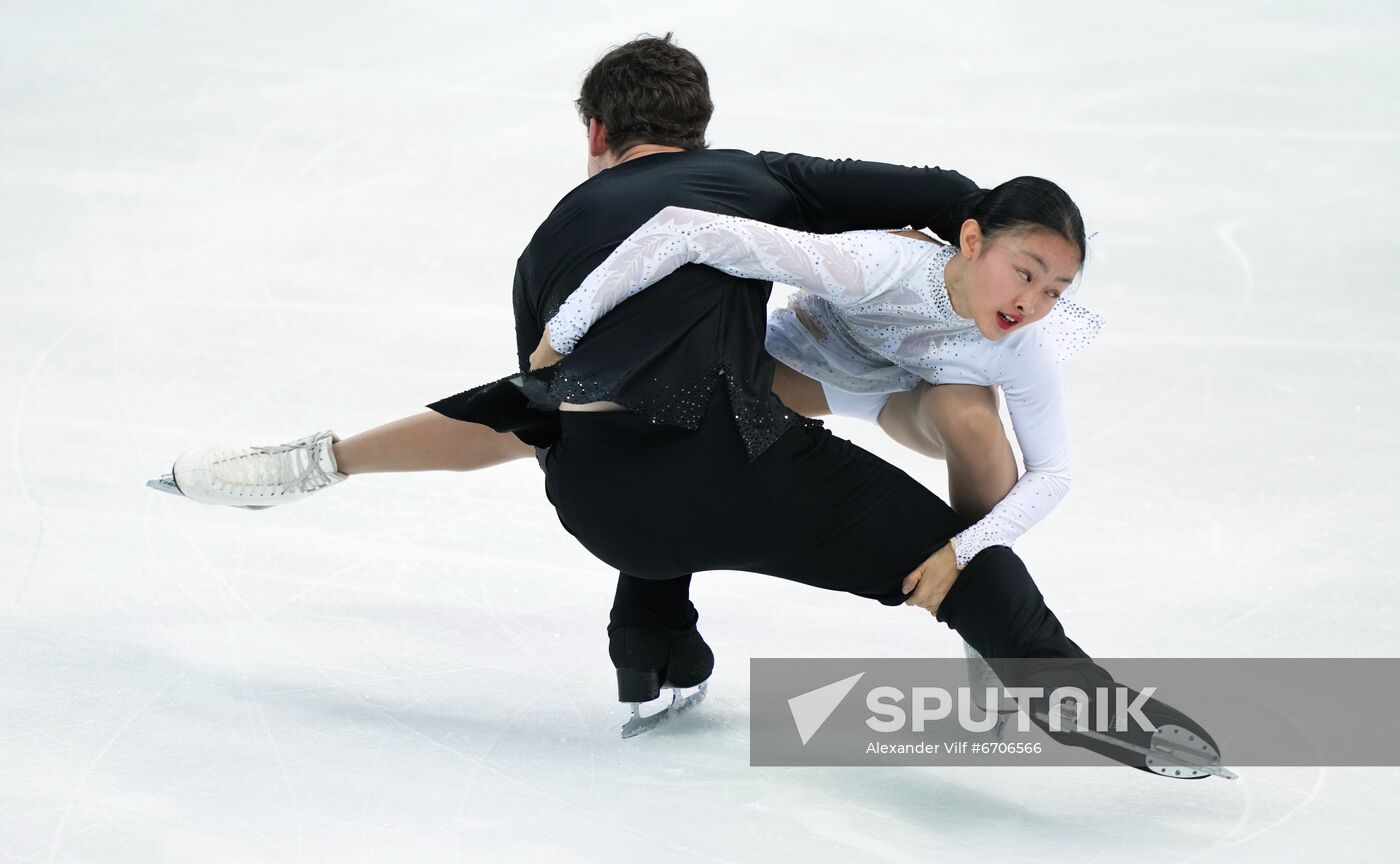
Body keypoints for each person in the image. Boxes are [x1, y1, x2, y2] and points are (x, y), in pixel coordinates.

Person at [150, 36, 1226, 776]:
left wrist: (563, 328)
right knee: (946, 525)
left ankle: (337, 474)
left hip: (609, 498)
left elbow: (538, 406)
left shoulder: (547, 241)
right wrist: (953, 234)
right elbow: (943, 184)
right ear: (700, 132)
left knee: (591, 399)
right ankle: (1087, 707)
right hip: (766, 456)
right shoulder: (760, 183)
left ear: (592, 133)